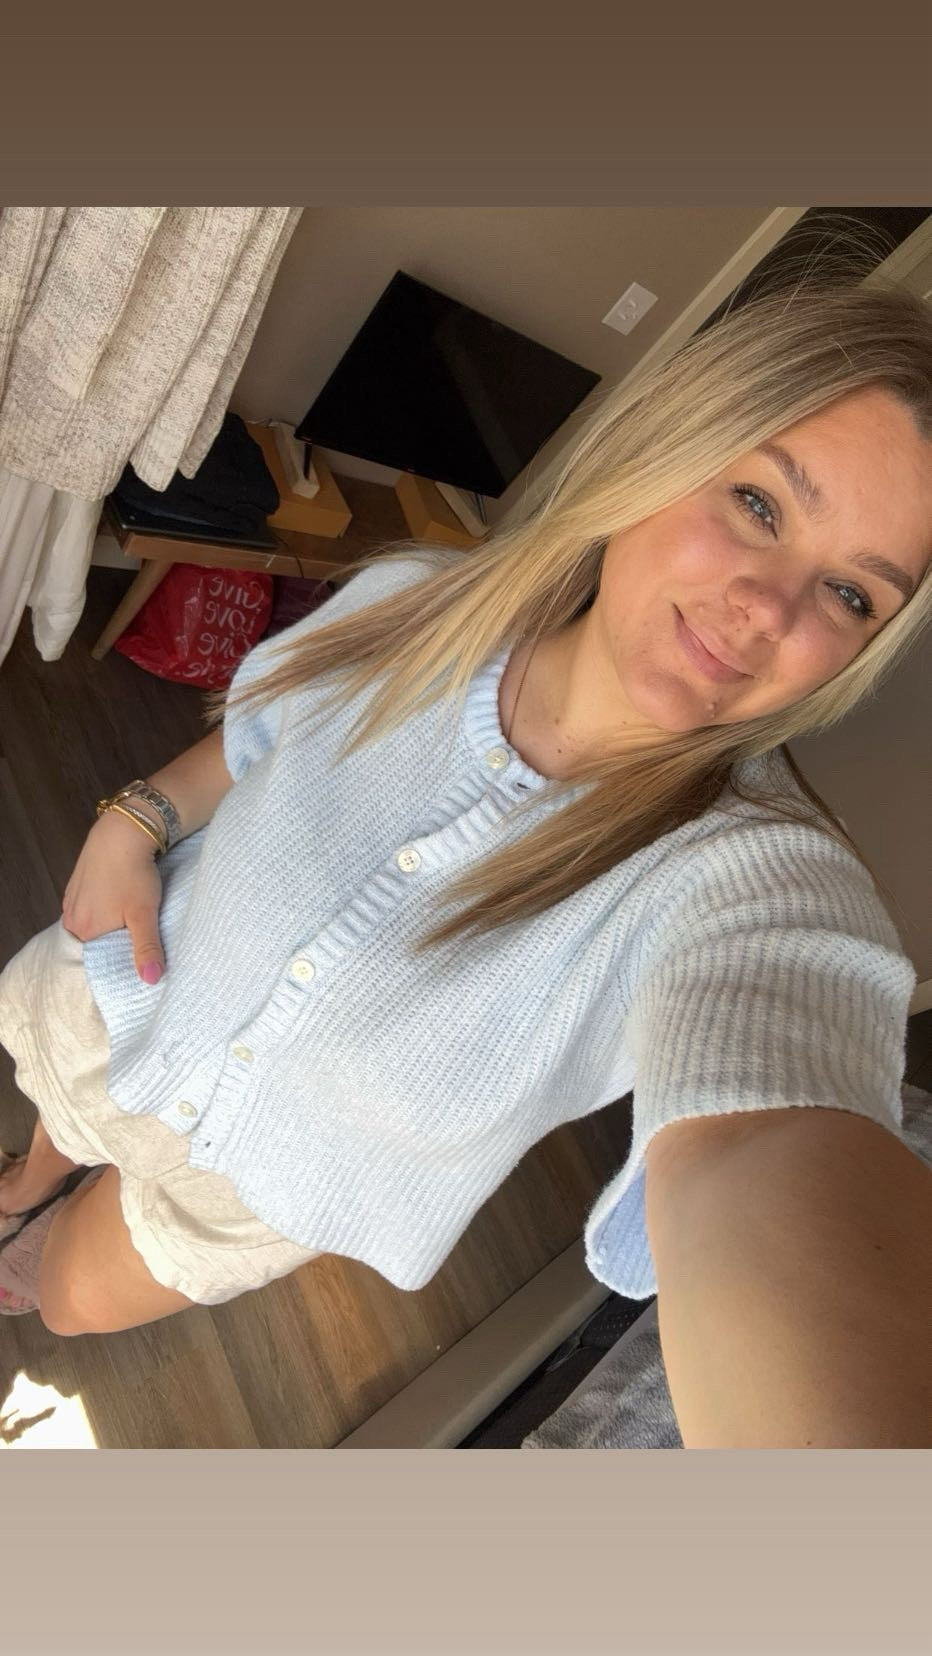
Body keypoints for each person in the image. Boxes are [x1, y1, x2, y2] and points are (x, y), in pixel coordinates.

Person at [0, 278, 930, 1448]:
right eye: (756, 502)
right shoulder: (415, 601)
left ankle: (35, 1228)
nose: (766, 609)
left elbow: (772, 1125)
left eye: (848, 593)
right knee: (59, 1122)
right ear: (659, 454)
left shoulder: (742, 884)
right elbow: (249, 746)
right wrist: (132, 821)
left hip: (243, 1200)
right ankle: (28, 1180)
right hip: (123, 1003)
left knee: (65, 1303)